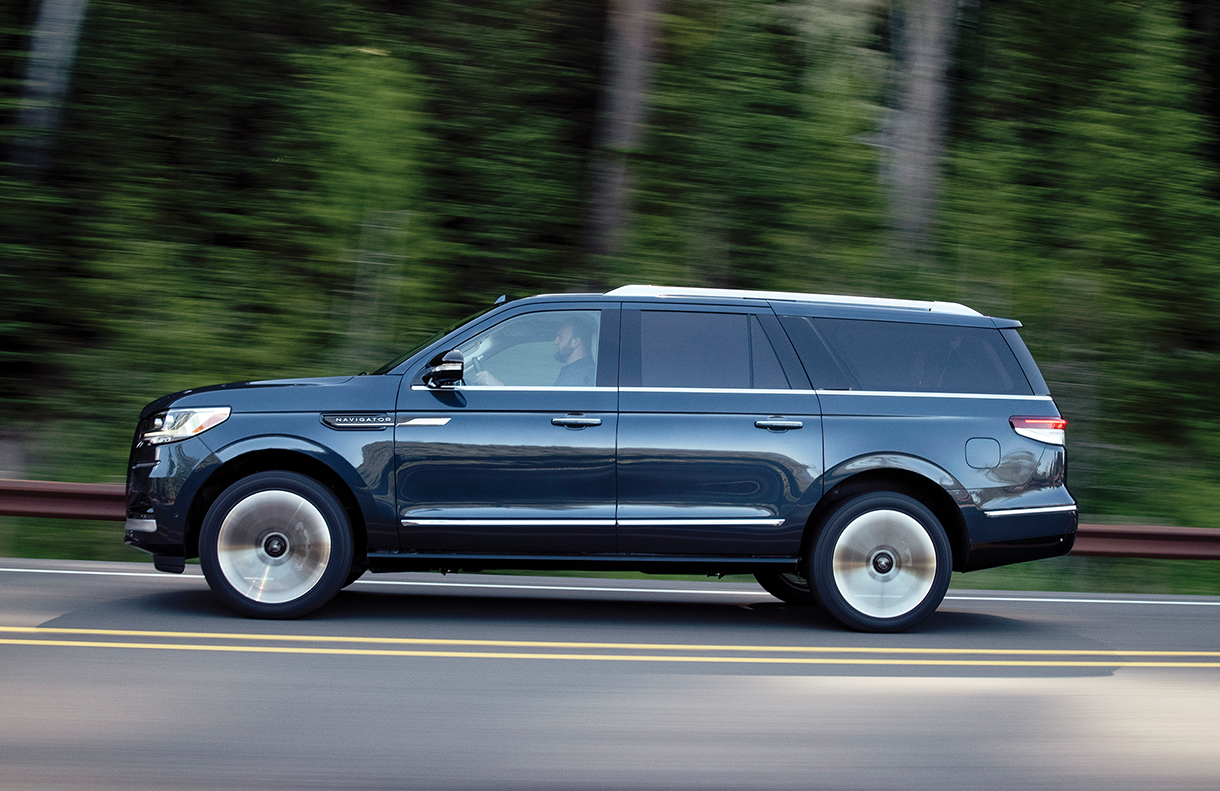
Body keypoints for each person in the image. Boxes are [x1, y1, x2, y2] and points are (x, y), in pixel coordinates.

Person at [471, 314, 597, 387]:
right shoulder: (575, 372)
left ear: (576, 341)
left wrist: (498, 386)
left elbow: (547, 408)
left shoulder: (582, 377)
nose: (555, 341)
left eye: (560, 336)